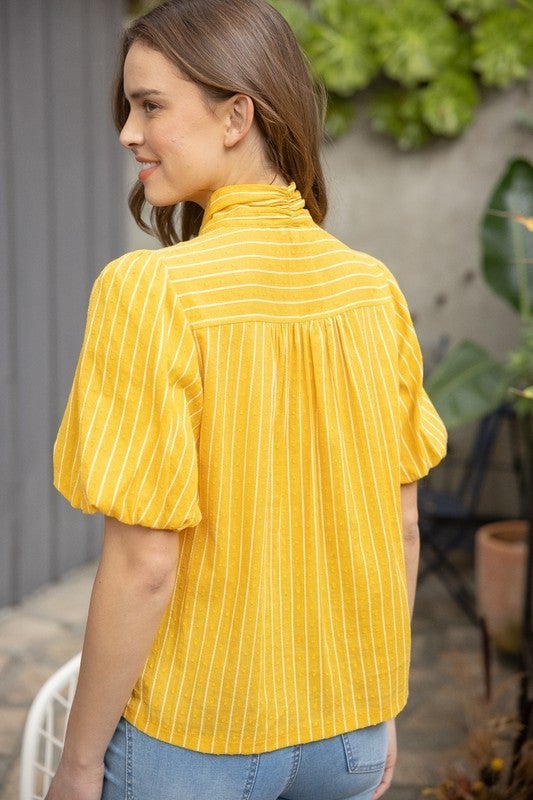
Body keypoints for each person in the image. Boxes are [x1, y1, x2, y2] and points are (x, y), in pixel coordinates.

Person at [47, 1, 447, 798]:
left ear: (236, 115)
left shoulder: (151, 291)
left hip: (193, 744)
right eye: (130, 106)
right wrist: (380, 707)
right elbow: (400, 525)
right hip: (349, 739)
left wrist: (79, 761)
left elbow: (143, 564)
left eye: (150, 105)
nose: (128, 131)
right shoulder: (371, 288)